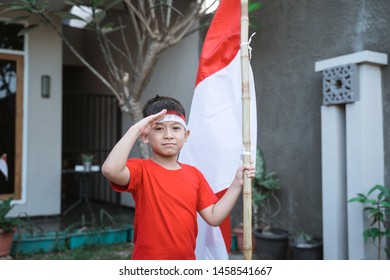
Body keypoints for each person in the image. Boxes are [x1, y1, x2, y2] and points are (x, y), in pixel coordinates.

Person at [102, 95, 255, 260]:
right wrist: (136, 129)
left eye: (176, 128)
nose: (168, 135)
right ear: (145, 136)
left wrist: (237, 184)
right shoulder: (140, 170)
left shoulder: (194, 174)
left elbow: (214, 216)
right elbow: (111, 170)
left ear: (186, 135)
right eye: (159, 129)